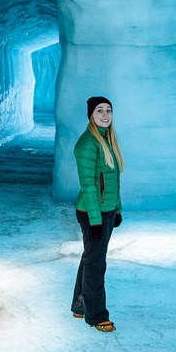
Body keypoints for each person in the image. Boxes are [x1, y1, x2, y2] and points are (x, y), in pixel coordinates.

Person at [70, 95, 124, 332]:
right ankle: (97, 315)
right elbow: (89, 185)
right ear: (91, 115)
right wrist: (95, 220)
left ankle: (80, 305)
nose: (105, 114)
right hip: (93, 212)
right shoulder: (87, 144)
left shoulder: (108, 140)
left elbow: (113, 181)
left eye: (108, 110)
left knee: (90, 257)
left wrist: (117, 209)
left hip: (106, 210)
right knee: (96, 263)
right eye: (99, 110)